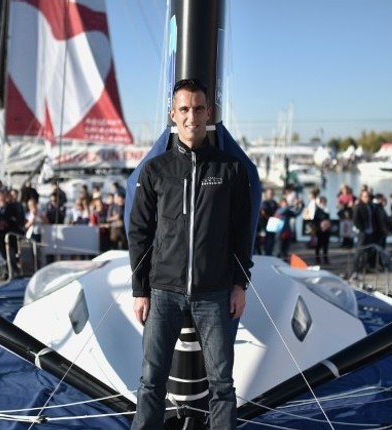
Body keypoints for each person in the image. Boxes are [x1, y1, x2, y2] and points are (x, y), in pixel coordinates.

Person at [128, 78, 252, 430]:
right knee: (151, 381)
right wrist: (139, 290)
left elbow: (242, 232)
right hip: (163, 291)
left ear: (208, 112)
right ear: (173, 114)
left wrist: (241, 284)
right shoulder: (156, 170)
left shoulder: (230, 169)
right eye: (184, 109)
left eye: (198, 108)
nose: (191, 116)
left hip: (214, 292)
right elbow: (139, 232)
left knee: (222, 385)